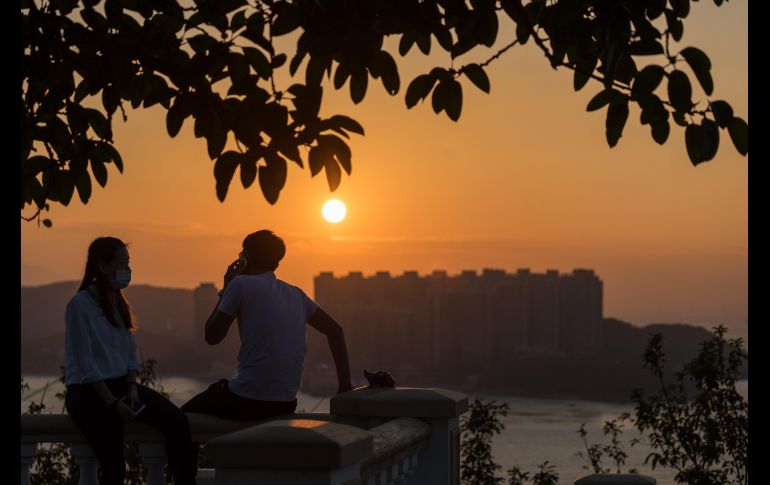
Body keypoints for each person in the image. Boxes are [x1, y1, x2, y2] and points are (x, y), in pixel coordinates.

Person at [64, 237, 197, 485]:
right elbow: (85, 365)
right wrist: (113, 403)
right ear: (103, 267)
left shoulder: (118, 302)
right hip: (89, 394)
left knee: (177, 422)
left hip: (120, 387)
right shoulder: (79, 305)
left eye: (128, 262)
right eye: (122, 262)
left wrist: (132, 386)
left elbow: (129, 354)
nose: (127, 269)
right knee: (114, 466)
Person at [181, 230, 353, 421]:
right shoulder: (297, 294)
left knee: (179, 420)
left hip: (246, 399)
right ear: (277, 263)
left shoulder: (240, 285)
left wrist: (226, 288)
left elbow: (211, 336)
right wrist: (344, 385)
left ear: (245, 257)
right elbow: (335, 331)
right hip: (286, 404)